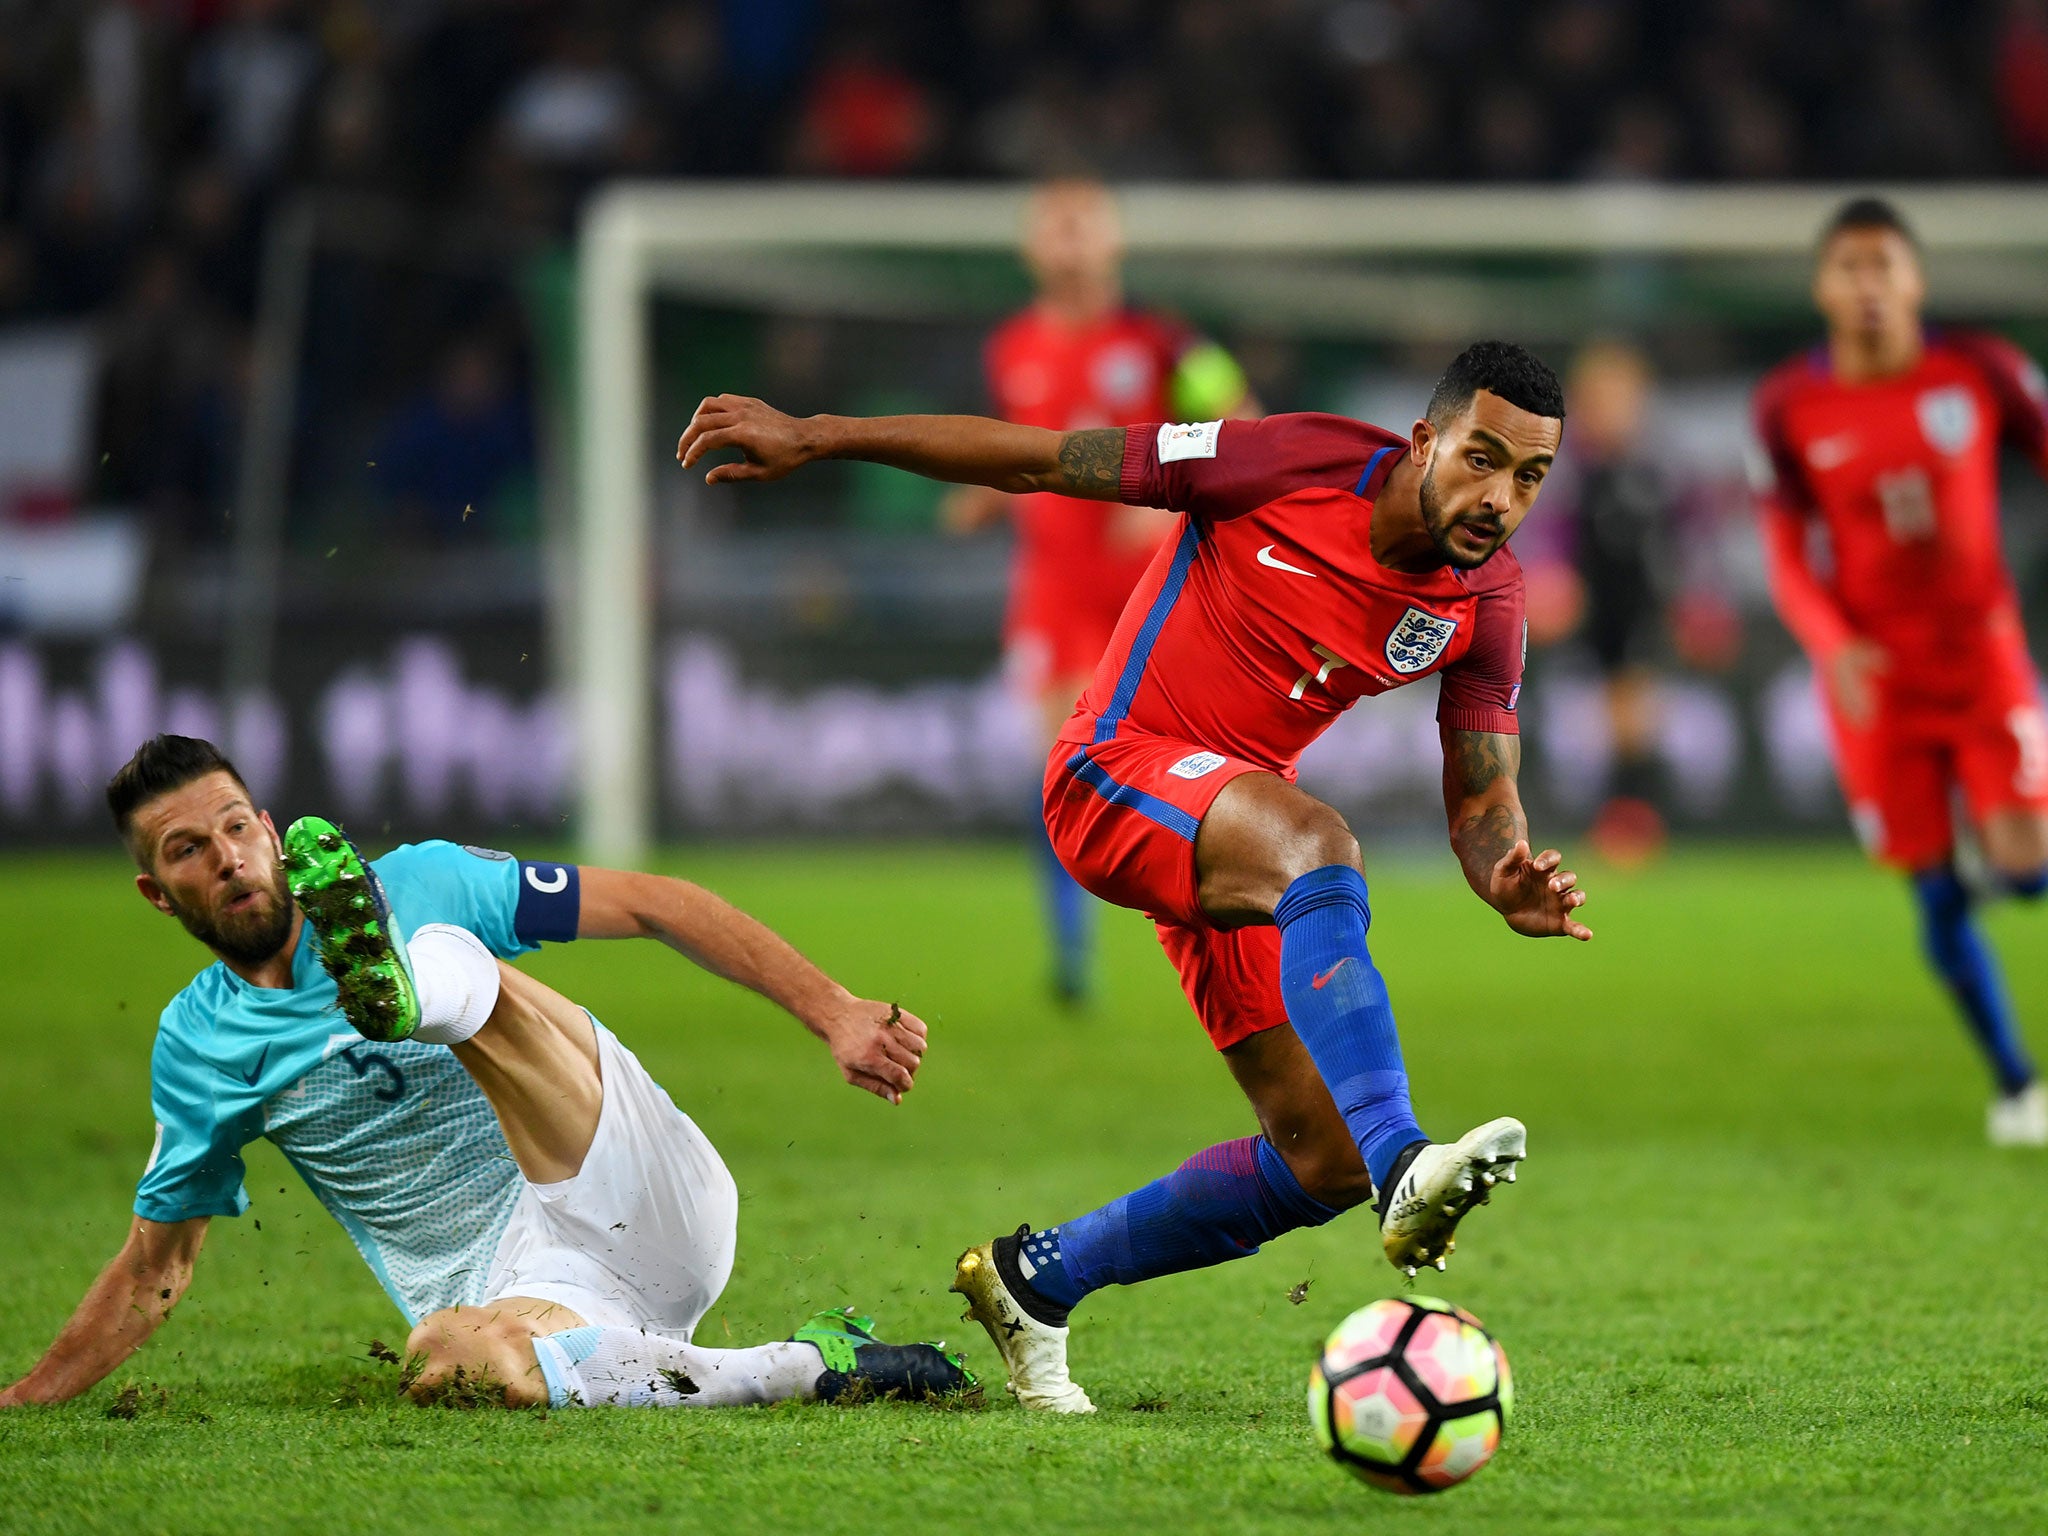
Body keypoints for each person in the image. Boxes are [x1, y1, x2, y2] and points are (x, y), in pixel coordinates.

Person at [677, 339, 1591, 1413]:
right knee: (1321, 847)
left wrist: (1501, 877)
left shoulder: (1487, 599)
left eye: (1528, 476)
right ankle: (1408, 1167)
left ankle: (1037, 1280)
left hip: (1229, 834)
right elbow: (1040, 460)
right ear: (1424, 439)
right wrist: (820, 436)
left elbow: (1482, 798)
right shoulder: (1281, 462)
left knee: (1320, 1155)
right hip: (1113, 776)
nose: (1499, 497)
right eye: (1480, 459)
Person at [0, 734, 973, 1411]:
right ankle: (803, 1367)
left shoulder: (421, 880)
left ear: (265, 822)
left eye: (234, 829)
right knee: (450, 1362)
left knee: (460, 968)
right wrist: (26, 1399)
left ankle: (410, 988)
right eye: (187, 851)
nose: (228, 860)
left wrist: (834, 1011)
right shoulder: (200, 1047)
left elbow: (654, 903)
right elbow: (154, 1270)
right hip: (538, 1291)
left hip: (623, 1176)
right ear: (155, 894)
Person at [1755, 196, 2048, 1147]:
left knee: (2028, 870)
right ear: (1822, 288)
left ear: (1917, 279)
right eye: (1850, 267)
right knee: (1930, 890)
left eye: (1886, 264)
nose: (1870, 284)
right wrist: (1832, 643)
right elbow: (1788, 550)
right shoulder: (1788, 407)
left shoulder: (1984, 369)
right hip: (1876, 676)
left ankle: (1993, 861)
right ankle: (2017, 1087)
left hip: (1982, 655)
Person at [943, 178, 1253, 1004]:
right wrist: (977, 493)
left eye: (1087, 223)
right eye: (1057, 225)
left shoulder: (1168, 344)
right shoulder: (1012, 350)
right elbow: (1025, 453)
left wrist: (1167, 509)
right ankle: (1073, 954)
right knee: (1065, 768)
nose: (1072, 238)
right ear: (1032, 248)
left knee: (1181, 767)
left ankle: (1223, 936)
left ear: (1114, 241)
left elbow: (1245, 432)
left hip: (1159, 587)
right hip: (1055, 589)